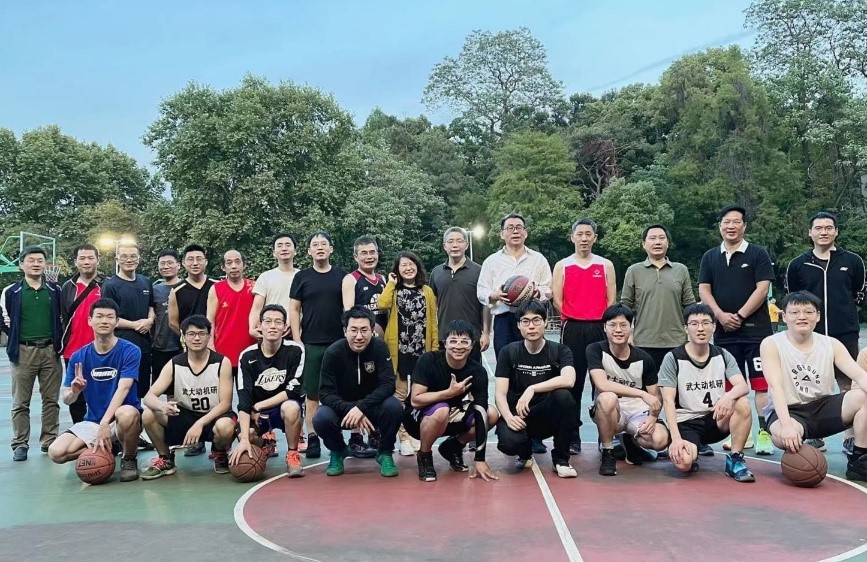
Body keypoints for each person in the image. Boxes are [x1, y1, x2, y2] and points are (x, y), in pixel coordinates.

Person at [760, 291, 867, 482]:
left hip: (823, 408)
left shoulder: (831, 344)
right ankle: (799, 450)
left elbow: (859, 375)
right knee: (787, 438)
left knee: (863, 396)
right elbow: (775, 386)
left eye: (808, 312)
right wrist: (787, 426)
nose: (802, 316)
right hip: (790, 412)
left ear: (817, 316)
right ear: (784, 316)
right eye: (795, 312)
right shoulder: (771, 344)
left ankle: (859, 460)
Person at [785, 211, 866, 454]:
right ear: (810, 232)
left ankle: (850, 437)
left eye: (828, 228)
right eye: (818, 228)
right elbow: (793, 298)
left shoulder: (853, 261)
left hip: (844, 331)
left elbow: (858, 293)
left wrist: (844, 313)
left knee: (847, 382)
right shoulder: (798, 264)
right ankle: (814, 435)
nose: (823, 232)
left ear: (836, 232)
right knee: (811, 382)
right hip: (810, 335)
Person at [698, 204, 775, 455]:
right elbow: (704, 290)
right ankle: (740, 433)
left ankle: (764, 434)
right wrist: (719, 316)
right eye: (726, 222)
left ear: (744, 226)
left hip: (756, 333)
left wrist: (740, 315)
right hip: (724, 335)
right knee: (731, 387)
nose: (731, 226)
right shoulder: (710, 256)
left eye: (736, 222)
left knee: (761, 386)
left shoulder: (758, 253)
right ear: (720, 226)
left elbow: (762, 289)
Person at [47, 298, 142, 482]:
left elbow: (124, 388)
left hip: (119, 419)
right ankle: (110, 449)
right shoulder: (78, 356)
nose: (104, 321)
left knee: (127, 414)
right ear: (90, 320)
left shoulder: (130, 350)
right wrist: (75, 391)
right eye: (99, 316)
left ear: (117, 321)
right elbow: (66, 399)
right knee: (56, 453)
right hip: (93, 421)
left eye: (109, 317)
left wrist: (105, 423)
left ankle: (129, 458)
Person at [657, 303, 756, 482]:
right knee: (684, 463)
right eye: (694, 324)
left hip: (715, 418)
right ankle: (691, 449)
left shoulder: (722, 354)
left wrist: (728, 396)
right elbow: (668, 402)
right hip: (686, 422)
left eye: (705, 323)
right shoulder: (673, 358)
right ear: (686, 328)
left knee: (742, 403)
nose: (700, 328)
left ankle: (735, 459)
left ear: (714, 327)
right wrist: (676, 438)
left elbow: (742, 386)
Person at [140, 315, 235, 478]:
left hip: (213, 416)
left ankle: (219, 452)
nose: (196, 338)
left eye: (201, 333)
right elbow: (149, 397)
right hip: (184, 416)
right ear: (183, 337)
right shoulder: (174, 363)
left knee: (226, 426)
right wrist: (162, 406)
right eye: (191, 334)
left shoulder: (221, 362)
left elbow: (225, 403)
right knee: (149, 414)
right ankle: (165, 459)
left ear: (209, 336)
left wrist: (199, 423)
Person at [405, 320, 499, 482]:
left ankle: (453, 446)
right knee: (441, 409)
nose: (458, 346)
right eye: (453, 341)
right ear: (445, 343)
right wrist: (449, 393)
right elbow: (415, 400)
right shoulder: (428, 360)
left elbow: (481, 411)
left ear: (472, 345)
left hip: (450, 412)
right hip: (417, 417)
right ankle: (424, 455)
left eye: (464, 342)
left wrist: (480, 458)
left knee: (491, 413)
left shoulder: (477, 371)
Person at [552, 218, 616, 454]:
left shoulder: (605, 265)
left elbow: (611, 299)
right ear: (572, 237)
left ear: (595, 238)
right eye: (579, 234)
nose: (584, 238)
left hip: (599, 328)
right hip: (573, 329)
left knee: (602, 383)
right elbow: (557, 299)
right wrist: (574, 315)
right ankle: (572, 435)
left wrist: (602, 322)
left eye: (588, 234)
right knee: (573, 383)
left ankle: (606, 434)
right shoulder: (562, 265)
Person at [494, 300, 579, 478]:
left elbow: (569, 379)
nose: (531, 326)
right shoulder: (508, 352)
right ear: (519, 325)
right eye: (525, 321)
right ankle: (524, 452)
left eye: (536, 320)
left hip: (546, 416)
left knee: (564, 396)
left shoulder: (560, 350)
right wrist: (509, 418)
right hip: (518, 414)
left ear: (546, 322)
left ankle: (561, 459)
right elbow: (500, 394)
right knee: (508, 444)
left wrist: (532, 388)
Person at [313, 307, 402, 478]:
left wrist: (361, 408)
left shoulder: (380, 348)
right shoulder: (333, 352)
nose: (359, 336)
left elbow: (388, 385)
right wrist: (351, 409)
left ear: (372, 330)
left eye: (364, 330)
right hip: (344, 410)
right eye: (354, 330)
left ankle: (385, 452)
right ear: (345, 331)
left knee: (394, 407)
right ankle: (338, 451)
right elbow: (325, 393)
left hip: (371, 407)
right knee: (321, 417)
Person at [587, 304, 670, 476]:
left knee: (660, 440)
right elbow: (602, 384)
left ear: (631, 327)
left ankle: (631, 441)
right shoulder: (595, 350)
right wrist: (641, 393)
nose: (618, 330)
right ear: (605, 327)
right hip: (611, 410)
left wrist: (653, 418)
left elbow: (655, 397)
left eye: (623, 325)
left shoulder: (644, 359)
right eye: (612, 325)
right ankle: (608, 451)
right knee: (608, 397)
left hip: (637, 411)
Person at [0, 246, 64, 461]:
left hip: (50, 351)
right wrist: (17, 339)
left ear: (45, 264)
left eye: (40, 260)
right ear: (21, 264)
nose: (36, 264)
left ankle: (49, 440)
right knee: (20, 402)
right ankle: (20, 443)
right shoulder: (11, 291)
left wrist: (57, 343)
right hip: (23, 351)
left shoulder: (55, 290)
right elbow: (4, 319)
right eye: (31, 260)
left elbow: (62, 318)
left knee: (51, 400)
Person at [290, 231, 346, 459]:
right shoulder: (301, 277)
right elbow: (294, 309)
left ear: (331, 249)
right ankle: (313, 438)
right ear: (309, 251)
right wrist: (297, 338)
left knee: (342, 392)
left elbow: (348, 308)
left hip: (339, 343)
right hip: (311, 343)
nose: (320, 247)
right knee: (312, 394)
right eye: (315, 244)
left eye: (324, 244)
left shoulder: (342, 276)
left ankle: (348, 437)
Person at [233, 305, 305, 477]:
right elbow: (244, 397)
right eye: (268, 321)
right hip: (257, 415)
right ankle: (264, 445)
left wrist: (258, 406)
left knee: (291, 408)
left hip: (281, 408)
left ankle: (292, 454)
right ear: (260, 325)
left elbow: (293, 391)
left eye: (278, 322)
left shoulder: (296, 350)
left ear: (285, 327)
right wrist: (244, 439)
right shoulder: (247, 356)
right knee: (247, 435)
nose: (273, 326)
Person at [378, 251, 439, 456]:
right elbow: (382, 304)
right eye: (403, 265)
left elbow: (433, 322)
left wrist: (434, 351)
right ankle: (403, 437)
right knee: (400, 396)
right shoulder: (394, 290)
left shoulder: (427, 291)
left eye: (411, 264)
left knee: (418, 397)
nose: (408, 268)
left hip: (422, 351)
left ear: (417, 267)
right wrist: (390, 283)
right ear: (397, 269)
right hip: (399, 352)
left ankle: (415, 433)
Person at [477, 212, 552, 357]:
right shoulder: (491, 261)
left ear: (525, 233)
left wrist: (537, 292)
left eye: (519, 227)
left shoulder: (538, 259)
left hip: (531, 318)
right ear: (502, 234)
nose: (515, 231)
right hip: (503, 319)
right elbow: (481, 291)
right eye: (510, 228)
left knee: (533, 362)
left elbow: (548, 289)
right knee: (505, 362)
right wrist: (495, 295)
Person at [341, 235, 387, 458]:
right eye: (364, 253)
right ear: (355, 256)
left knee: (376, 386)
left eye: (372, 252)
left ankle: (375, 432)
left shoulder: (383, 279)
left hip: (379, 344)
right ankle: (356, 437)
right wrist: (368, 329)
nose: (369, 256)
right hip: (360, 341)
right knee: (356, 387)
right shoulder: (351, 279)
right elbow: (349, 312)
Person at [430, 227, 492, 364]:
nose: (455, 245)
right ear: (444, 246)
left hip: (471, 338)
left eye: (459, 241)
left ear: (466, 245)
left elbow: (486, 304)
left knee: (472, 375)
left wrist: (486, 333)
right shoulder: (436, 272)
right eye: (450, 241)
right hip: (444, 337)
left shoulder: (479, 271)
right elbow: (432, 306)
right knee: (443, 375)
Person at [101, 242, 154, 399]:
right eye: (124, 256)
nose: (129, 260)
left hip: (144, 346)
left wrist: (150, 320)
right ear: (117, 259)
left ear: (138, 258)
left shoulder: (146, 281)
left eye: (133, 256)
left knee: (142, 392)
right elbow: (108, 317)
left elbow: (151, 307)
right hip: (121, 346)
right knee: (122, 392)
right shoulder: (110, 285)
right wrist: (134, 325)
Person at [60, 244, 104, 424]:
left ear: (98, 260)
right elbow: (63, 317)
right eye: (82, 258)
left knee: (102, 393)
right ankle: (79, 431)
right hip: (74, 350)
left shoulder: (107, 285)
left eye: (90, 258)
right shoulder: (67, 287)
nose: (86, 262)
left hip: (102, 350)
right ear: (75, 262)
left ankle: (105, 432)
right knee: (76, 394)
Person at [206, 249, 256, 377]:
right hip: (223, 351)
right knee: (224, 389)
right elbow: (210, 320)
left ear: (244, 264)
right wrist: (210, 347)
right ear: (223, 267)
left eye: (237, 262)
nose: (234, 266)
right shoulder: (216, 289)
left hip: (250, 350)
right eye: (229, 263)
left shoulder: (254, 287)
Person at [249, 233, 298, 339]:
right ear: (274, 253)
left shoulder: (302, 276)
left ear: (295, 251)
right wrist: (252, 328)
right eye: (279, 245)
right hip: (270, 333)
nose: (284, 248)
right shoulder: (265, 277)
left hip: (297, 333)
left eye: (288, 245)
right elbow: (257, 307)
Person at [151, 249, 182, 390]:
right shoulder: (154, 290)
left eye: (170, 263)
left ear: (179, 265)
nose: (166, 266)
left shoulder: (185, 287)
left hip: (181, 346)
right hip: (160, 346)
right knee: (158, 389)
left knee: (180, 390)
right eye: (162, 263)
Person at [168, 244, 215, 336]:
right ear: (183, 263)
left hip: (216, 339)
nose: (195, 263)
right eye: (190, 259)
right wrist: (187, 337)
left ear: (206, 262)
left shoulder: (217, 285)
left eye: (199, 259)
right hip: (190, 341)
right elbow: (172, 323)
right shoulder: (177, 290)